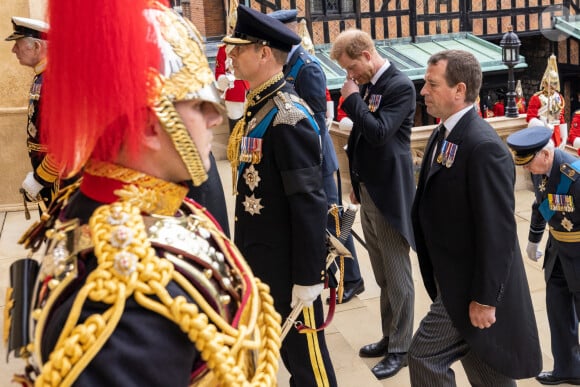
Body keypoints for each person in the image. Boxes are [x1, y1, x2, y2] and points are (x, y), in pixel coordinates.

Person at [5, 2, 281, 385]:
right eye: (200, 104)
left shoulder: (121, 205)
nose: (215, 118)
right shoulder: (129, 299)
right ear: (149, 125)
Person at [409, 49, 542, 386]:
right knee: (487, 368)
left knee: (424, 357)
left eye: (431, 84)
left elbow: (497, 231)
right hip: (451, 277)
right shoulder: (444, 134)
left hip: (469, 287)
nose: (423, 91)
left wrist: (484, 299)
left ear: (460, 90)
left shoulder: (483, 146)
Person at [225, 5, 337, 386]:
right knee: (288, 358)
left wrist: (308, 278)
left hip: (290, 268)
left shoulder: (288, 116)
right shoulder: (258, 109)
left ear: (264, 53)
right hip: (263, 261)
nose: (231, 56)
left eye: (239, 49)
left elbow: (309, 203)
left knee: (310, 369)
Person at [330, 28, 416, 380]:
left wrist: (352, 100)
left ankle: (402, 348)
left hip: (391, 194)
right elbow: (361, 140)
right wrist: (358, 182)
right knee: (381, 274)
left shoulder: (399, 86)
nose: (350, 76)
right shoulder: (367, 86)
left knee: (398, 276)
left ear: (366, 54)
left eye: (351, 67)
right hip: (369, 190)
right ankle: (388, 335)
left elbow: (379, 132)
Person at [268, 9, 364, 304]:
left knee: (334, 222)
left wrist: (311, 159)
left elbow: (318, 122)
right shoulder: (288, 63)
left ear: (290, 32)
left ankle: (353, 279)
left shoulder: (306, 67)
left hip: (318, 161)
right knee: (322, 222)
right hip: (306, 161)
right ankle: (335, 276)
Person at [507, 126, 580, 386]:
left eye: (529, 164)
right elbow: (542, 204)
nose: (526, 170)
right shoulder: (542, 171)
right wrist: (533, 240)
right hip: (558, 251)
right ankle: (568, 368)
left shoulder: (575, 174)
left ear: (546, 155)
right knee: (557, 310)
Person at [6, 16, 78, 209]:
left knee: (58, 231)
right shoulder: (44, 76)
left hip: (58, 176)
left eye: (18, 44)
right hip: (49, 172)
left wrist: (40, 178)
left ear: (37, 46)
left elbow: (67, 140)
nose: (14, 50)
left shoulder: (55, 81)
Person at [214, 0, 248, 133]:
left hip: (250, 90)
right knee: (235, 129)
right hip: (234, 92)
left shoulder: (248, 44)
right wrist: (226, 80)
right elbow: (218, 73)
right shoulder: (223, 49)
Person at [527, 54, 567, 148]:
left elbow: (560, 118)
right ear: (545, 83)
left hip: (556, 133)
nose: (553, 86)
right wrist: (544, 125)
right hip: (542, 131)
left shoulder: (559, 97)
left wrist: (564, 137)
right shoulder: (536, 98)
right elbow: (530, 118)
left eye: (555, 83)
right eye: (551, 83)